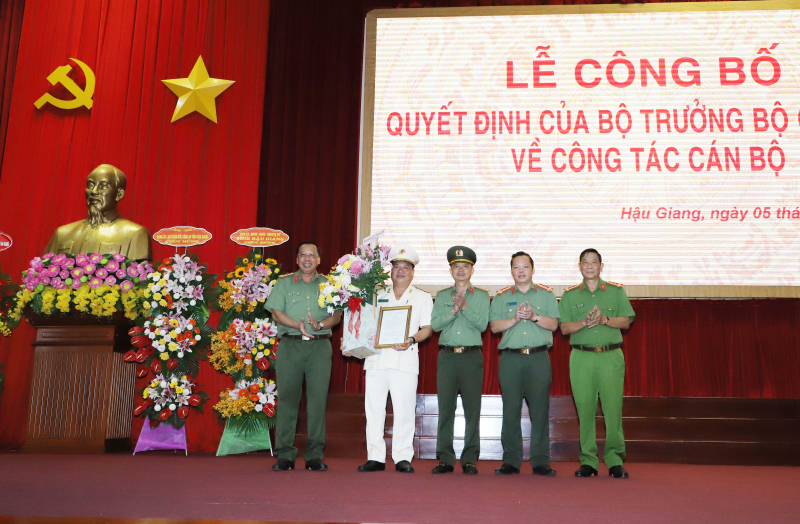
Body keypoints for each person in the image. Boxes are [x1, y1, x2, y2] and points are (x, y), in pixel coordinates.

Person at [265, 241, 342, 471]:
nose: (307, 259)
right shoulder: (284, 283)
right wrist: (296, 325)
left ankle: (315, 454)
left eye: (312, 255)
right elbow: (277, 313)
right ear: (297, 260)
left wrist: (320, 324)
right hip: (290, 346)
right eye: (302, 255)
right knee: (288, 400)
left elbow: (337, 316)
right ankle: (285, 454)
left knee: (318, 401)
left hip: (319, 347)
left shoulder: (329, 285)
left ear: (319, 260)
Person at [558, 248, 634, 479]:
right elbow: (564, 328)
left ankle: (614, 460)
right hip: (582, 357)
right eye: (585, 262)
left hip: (611, 356)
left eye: (594, 262)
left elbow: (626, 321)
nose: (589, 266)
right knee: (585, 409)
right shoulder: (570, 295)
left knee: (612, 409)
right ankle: (589, 460)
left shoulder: (616, 291)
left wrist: (604, 320)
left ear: (602, 266)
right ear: (579, 266)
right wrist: (584, 322)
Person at [357, 244, 433, 473]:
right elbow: (366, 327)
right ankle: (375, 456)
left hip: (405, 360)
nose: (400, 271)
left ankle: (402, 456)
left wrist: (411, 340)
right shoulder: (377, 295)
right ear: (390, 271)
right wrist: (354, 344)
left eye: (405, 267)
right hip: (376, 360)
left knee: (404, 410)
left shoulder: (422, 297)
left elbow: (427, 328)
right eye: (396, 267)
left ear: (413, 271)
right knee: (374, 409)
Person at [489, 251, 559, 476]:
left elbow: (554, 326)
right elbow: (494, 327)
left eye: (525, 267)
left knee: (540, 410)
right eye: (516, 267)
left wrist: (534, 317)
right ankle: (511, 460)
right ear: (511, 271)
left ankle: (540, 461)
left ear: (533, 269)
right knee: (510, 410)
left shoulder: (546, 295)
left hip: (539, 358)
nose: (521, 271)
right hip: (510, 359)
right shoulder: (500, 297)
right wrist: (516, 319)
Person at [430, 246, 489, 475]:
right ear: (451, 270)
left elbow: (482, 325)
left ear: (472, 270)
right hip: (447, 356)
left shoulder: (482, 296)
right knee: (446, 409)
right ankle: (445, 458)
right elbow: (435, 325)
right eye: (456, 266)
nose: (461, 270)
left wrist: (464, 308)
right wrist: (453, 311)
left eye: (465, 266)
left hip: (471, 356)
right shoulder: (443, 295)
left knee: (472, 410)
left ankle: (470, 459)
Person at [44, 164, 151, 260]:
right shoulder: (62, 233)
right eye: (90, 185)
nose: (94, 191)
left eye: (103, 186)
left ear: (119, 194)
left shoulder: (135, 234)